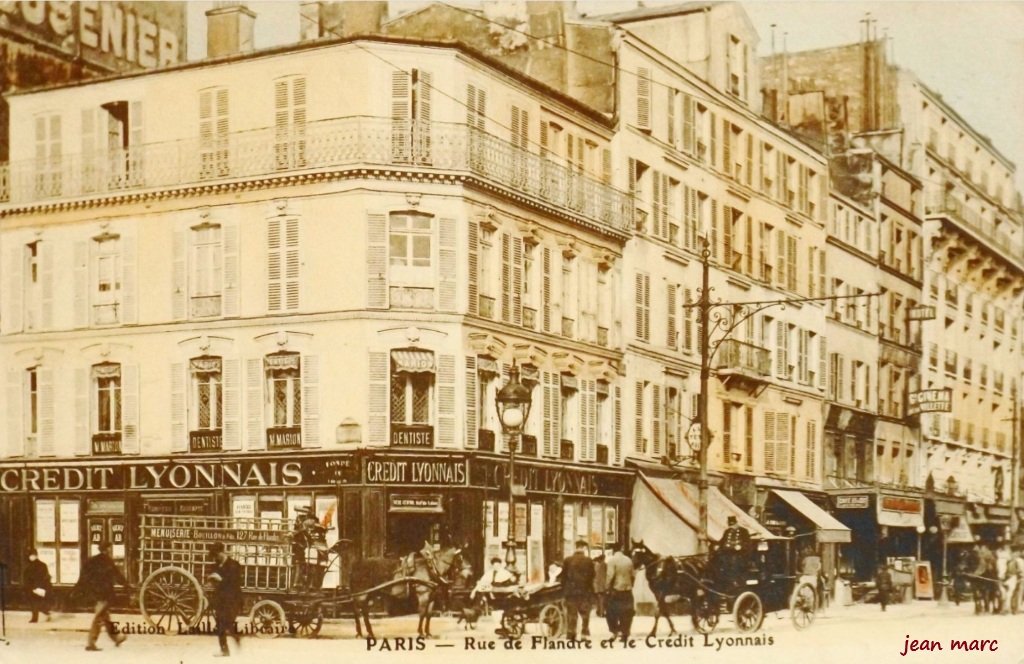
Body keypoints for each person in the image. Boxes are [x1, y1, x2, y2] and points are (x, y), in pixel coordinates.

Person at [77, 541, 128, 652]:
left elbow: (84, 575)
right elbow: (117, 575)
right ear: (107, 549)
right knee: (99, 617)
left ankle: (117, 638)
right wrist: (126, 585)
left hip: (95, 593)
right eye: (110, 548)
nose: (110, 551)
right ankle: (91, 643)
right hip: (104, 593)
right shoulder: (108, 561)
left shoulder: (92, 560)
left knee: (105, 617)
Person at [208, 542, 243, 657]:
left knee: (226, 623)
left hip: (233, 599)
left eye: (216, 555)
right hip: (221, 600)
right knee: (220, 624)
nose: (215, 558)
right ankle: (225, 649)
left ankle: (235, 639)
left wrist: (221, 580)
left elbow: (235, 583)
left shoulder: (234, 565)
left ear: (222, 553)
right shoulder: (217, 565)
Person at [561, 540, 596, 639]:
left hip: (571, 592)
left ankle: (571, 633)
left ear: (575, 547)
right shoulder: (588, 560)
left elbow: (563, 577)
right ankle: (584, 632)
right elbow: (592, 576)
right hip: (584, 591)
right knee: (585, 612)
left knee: (572, 613)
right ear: (584, 548)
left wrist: (564, 591)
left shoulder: (567, 560)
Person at [605, 544, 636, 639]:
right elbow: (633, 575)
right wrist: (630, 585)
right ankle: (625, 633)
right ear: (621, 549)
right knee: (627, 612)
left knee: (611, 611)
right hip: (627, 590)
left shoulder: (612, 560)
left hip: (616, 590)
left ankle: (614, 631)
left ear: (613, 550)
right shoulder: (629, 560)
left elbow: (610, 575)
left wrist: (607, 588)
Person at [23, 549, 51, 623]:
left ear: (35, 556)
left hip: (37, 587)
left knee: (37, 603)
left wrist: (38, 587)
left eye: (32, 556)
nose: (31, 557)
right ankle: (37, 617)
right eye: (30, 556)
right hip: (33, 587)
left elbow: (44, 577)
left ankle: (42, 615)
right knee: (34, 603)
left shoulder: (40, 565)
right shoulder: (31, 565)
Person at [593, 553, 608, 618]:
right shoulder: (604, 565)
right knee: (602, 599)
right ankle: (601, 612)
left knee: (598, 599)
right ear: (603, 559)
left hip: (596, 584)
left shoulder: (595, 565)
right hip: (602, 584)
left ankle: (598, 611)